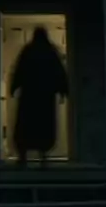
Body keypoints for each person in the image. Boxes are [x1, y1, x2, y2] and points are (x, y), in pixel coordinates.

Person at [9, 26, 69, 167]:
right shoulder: (50, 52)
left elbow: (19, 70)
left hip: (30, 95)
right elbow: (59, 72)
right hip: (45, 96)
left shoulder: (28, 51)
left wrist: (14, 87)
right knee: (43, 127)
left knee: (26, 126)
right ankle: (43, 157)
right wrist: (63, 91)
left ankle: (23, 157)